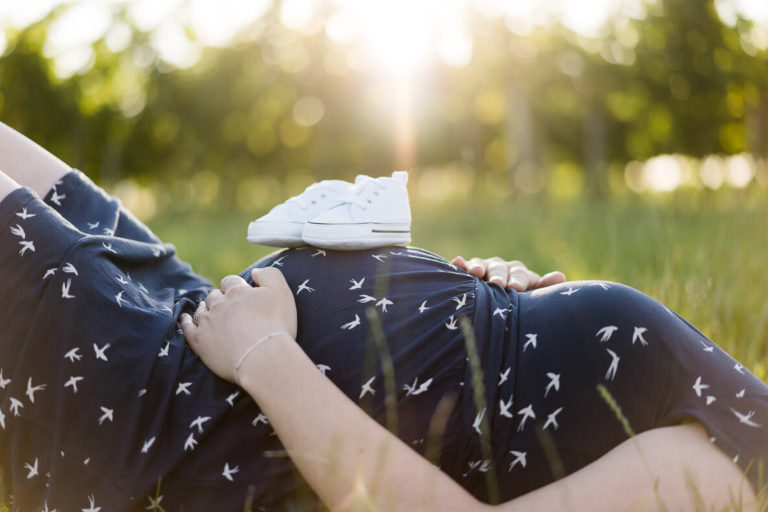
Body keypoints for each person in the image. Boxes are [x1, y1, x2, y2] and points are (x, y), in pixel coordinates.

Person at [0, 122, 765, 512]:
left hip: (196, 414)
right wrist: (511, 318)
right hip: (208, 324)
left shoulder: (739, 485)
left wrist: (266, 352)